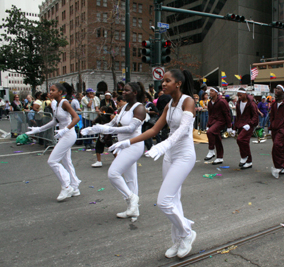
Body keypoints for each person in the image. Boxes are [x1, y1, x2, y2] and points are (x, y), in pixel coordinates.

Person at [109, 69, 197, 259]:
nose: (163, 84)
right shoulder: (169, 105)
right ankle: (179, 239)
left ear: (178, 84)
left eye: (167, 81)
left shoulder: (187, 101)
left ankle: (187, 233)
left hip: (184, 155)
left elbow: (183, 129)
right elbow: (154, 130)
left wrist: (165, 144)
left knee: (163, 201)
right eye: (162, 81)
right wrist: (127, 142)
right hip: (169, 156)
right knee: (173, 200)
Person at [81, 82, 146, 219]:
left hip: (134, 145)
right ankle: (133, 209)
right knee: (130, 178)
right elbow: (112, 123)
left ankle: (131, 198)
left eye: (126, 91)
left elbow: (130, 129)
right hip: (123, 145)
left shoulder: (139, 108)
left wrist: (108, 130)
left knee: (113, 173)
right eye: (123, 90)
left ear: (135, 92)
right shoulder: (123, 108)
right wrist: (94, 129)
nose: (123, 92)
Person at [26, 83, 81, 201]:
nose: (50, 92)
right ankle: (75, 187)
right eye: (49, 90)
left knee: (52, 161)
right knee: (66, 162)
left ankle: (66, 186)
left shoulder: (64, 103)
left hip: (68, 135)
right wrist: (39, 129)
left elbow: (76, 118)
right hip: (62, 134)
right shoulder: (54, 104)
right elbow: (54, 121)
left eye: (53, 90)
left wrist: (65, 129)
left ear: (60, 92)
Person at [204, 87, 232, 164]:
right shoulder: (210, 103)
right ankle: (220, 157)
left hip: (221, 121)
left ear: (216, 92)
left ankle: (211, 150)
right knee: (217, 139)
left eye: (212, 91)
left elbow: (227, 114)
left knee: (210, 132)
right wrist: (208, 124)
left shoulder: (222, 101)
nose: (210, 93)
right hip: (213, 121)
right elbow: (210, 115)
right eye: (210, 91)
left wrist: (229, 126)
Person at [232, 88, 259, 169]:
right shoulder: (238, 103)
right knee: (244, 143)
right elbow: (238, 117)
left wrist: (250, 124)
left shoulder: (251, 104)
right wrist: (234, 128)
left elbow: (255, 116)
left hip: (248, 125)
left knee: (240, 139)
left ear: (245, 94)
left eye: (240, 95)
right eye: (238, 95)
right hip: (241, 125)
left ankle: (244, 157)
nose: (239, 97)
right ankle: (249, 161)